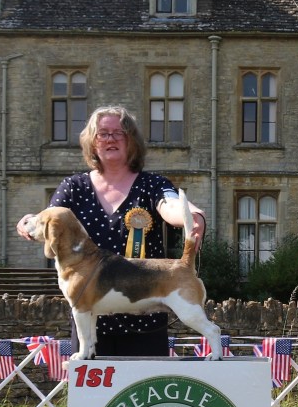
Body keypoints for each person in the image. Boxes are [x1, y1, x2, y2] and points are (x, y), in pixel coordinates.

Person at [16, 105, 207, 356]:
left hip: (145, 324)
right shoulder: (73, 187)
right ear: (92, 142)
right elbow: (49, 217)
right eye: (103, 133)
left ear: (131, 140)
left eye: (119, 133)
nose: (111, 139)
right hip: (91, 325)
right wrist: (28, 222)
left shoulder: (152, 184)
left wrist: (191, 215)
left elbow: (169, 204)